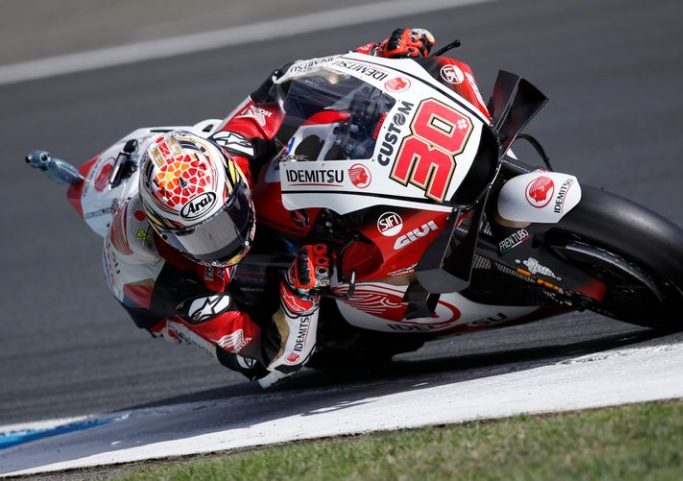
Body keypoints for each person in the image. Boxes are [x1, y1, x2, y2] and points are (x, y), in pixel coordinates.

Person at [103, 28, 436, 387]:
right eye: (203, 235)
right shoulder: (181, 291)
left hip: (214, 188)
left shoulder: (233, 151)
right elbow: (266, 362)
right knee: (347, 344)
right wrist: (298, 295)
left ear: (231, 177)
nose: (225, 241)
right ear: (168, 232)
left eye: (226, 219)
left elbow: (286, 82)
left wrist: (378, 54)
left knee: (316, 130)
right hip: (165, 285)